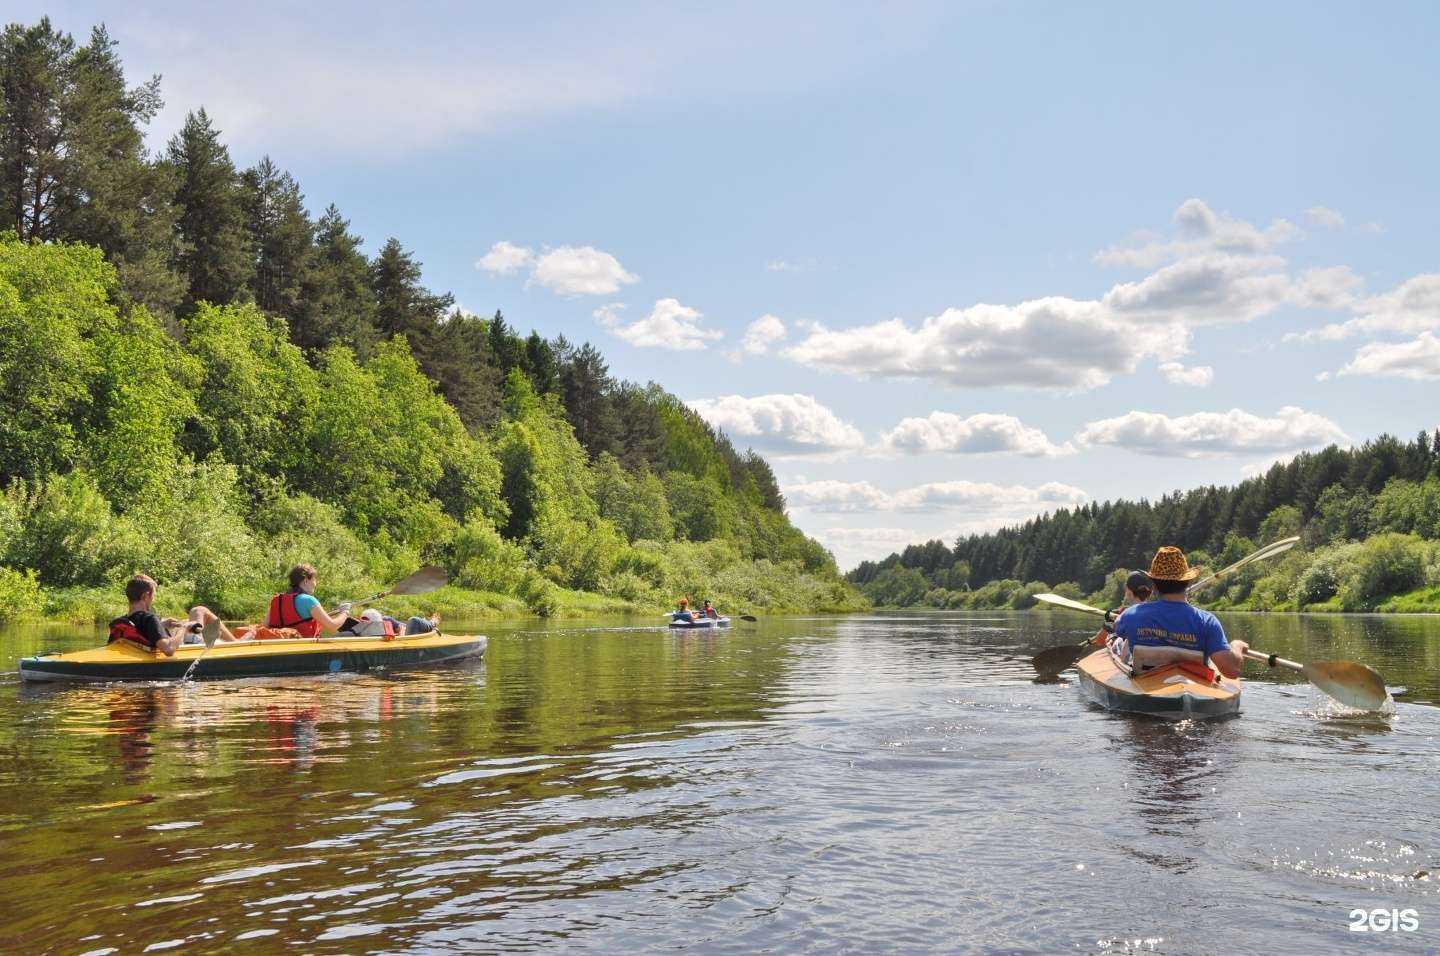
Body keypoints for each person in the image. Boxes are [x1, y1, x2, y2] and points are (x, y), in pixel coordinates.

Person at [1107, 547, 1249, 678]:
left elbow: (1114, 628)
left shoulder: (1131, 615)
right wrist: (1237, 646)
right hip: (1193, 687)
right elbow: (1231, 671)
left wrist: (1124, 616)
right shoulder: (1207, 622)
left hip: (1145, 684)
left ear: (1154, 585)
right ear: (1187, 582)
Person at [107, 574, 238, 657]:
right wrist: (184, 628)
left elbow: (141, 631)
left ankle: (235, 642)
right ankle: (237, 645)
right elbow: (168, 649)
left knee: (189, 618)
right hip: (187, 646)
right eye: (153, 596)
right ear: (145, 596)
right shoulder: (150, 619)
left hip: (145, 647)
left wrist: (162, 624)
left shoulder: (123, 621)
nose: (153, 599)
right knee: (199, 610)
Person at [267, 564, 352, 637]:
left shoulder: (276, 600)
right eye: (314, 580)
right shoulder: (309, 600)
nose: (315, 584)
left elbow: (265, 626)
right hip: (305, 648)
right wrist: (345, 612)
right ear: (306, 581)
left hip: (279, 648)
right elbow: (332, 626)